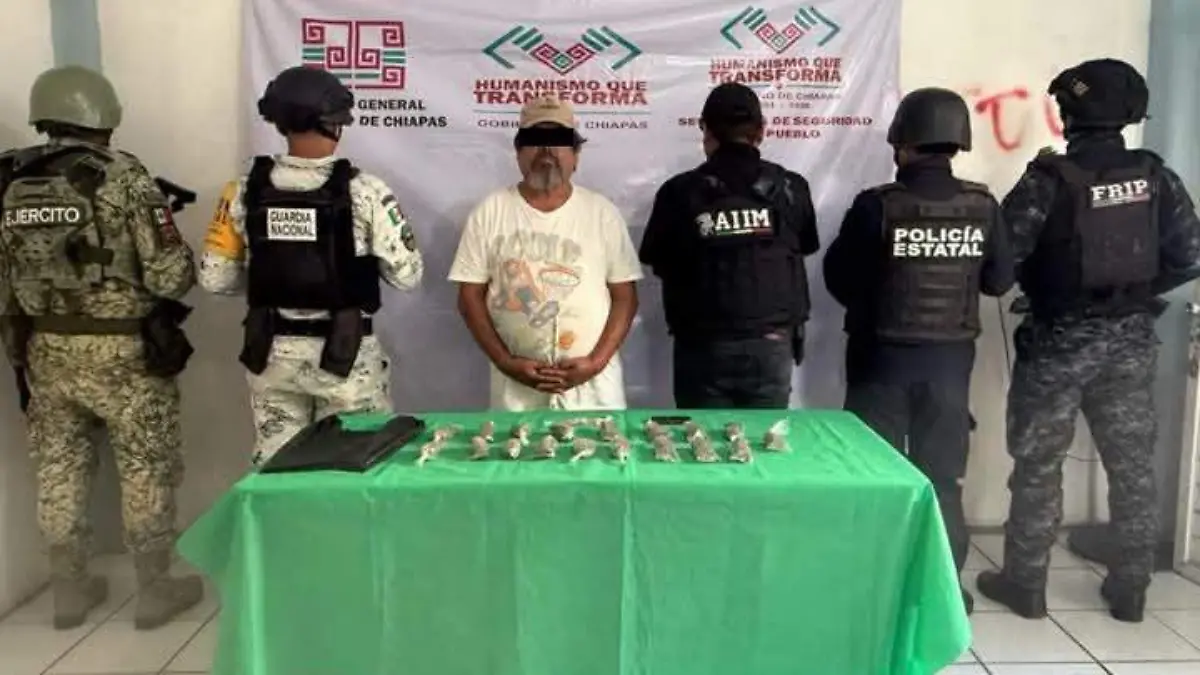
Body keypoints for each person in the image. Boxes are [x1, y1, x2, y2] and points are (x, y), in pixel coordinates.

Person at [976, 59, 1200, 623]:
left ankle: (1026, 584)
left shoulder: (1047, 181)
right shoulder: (1157, 177)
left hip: (1058, 341)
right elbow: (1190, 257)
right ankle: (1131, 590)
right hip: (1130, 342)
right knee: (1132, 468)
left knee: (1038, 464)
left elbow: (1001, 262)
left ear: (1069, 115)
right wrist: (1134, 293)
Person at [0, 65, 201, 630]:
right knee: (145, 466)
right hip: (125, 354)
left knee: (58, 468)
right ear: (104, 116)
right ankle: (155, 589)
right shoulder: (122, 177)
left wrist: (19, 347)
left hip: (46, 350)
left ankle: (69, 590)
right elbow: (169, 277)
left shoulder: (9, 180)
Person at [824, 87, 1015, 615]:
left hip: (880, 365)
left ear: (902, 143)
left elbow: (840, 280)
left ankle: (873, 589)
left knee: (876, 478)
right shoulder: (983, 206)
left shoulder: (876, 206)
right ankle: (944, 594)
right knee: (941, 482)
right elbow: (999, 281)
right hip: (949, 368)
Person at [199, 65, 424, 465]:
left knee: (278, 472)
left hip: (272, 356)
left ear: (279, 123)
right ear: (335, 124)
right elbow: (407, 276)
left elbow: (215, 279)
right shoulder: (365, 192)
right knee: (354, 474)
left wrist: (277, 277)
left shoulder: (243, 191)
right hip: (345, 359)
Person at [448, 96, 642, 410]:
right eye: (536, 140)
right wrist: (505, 361)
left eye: (559, 142)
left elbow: (625, 298)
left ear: (576, 155)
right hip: (516, 393)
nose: (547, 151)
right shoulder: (490, 211)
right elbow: (469, 297)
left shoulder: (602, 213)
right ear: (518, 152)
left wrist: (596, 362)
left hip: (593, 393)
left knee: (602, 445)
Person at [639, 82, 819, 408]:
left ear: (705, 130)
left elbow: (658, 261)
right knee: (765, 439)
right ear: (761, 130)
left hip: (703, 349)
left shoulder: (678, 192)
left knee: (703, 440)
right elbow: (805, 246)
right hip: (771, 345)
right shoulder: (792, 187)